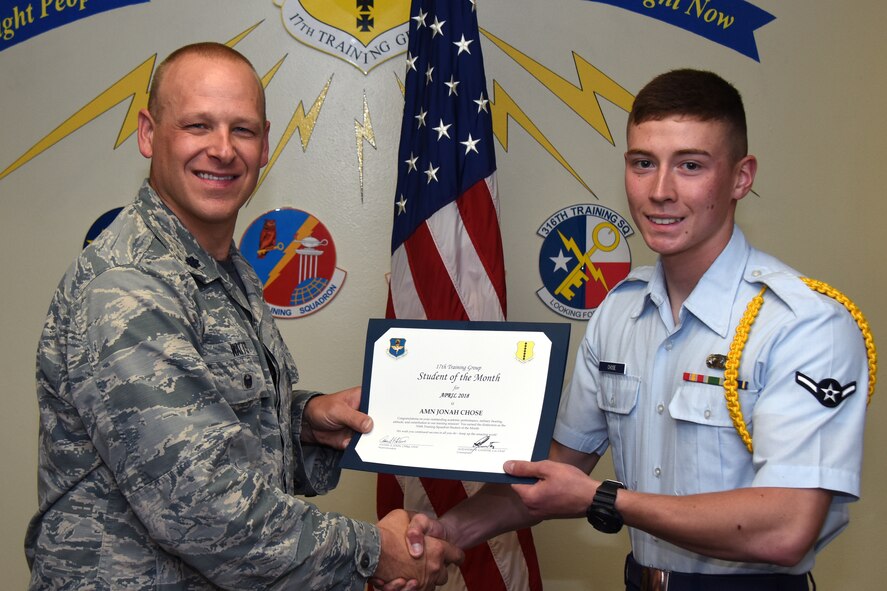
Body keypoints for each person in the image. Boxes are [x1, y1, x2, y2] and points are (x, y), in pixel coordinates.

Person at [395, 69, 871, 590]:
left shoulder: (804, 323)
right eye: (643, 163)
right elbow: (556, 469)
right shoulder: (620, 312)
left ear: (741, 177)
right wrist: (445, 531)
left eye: (690, 165)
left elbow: (786, 528)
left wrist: (601, 499)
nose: (660, 191)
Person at [25, 42, 462, 590]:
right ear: (148, 133)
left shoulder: (223, 267)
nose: (223, 149)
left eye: (244, 130)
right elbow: (204, 507)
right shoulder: (129, 287)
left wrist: (304, 421)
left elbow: (217, 428)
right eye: (198, 126)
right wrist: (375, 554)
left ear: (265, 144)